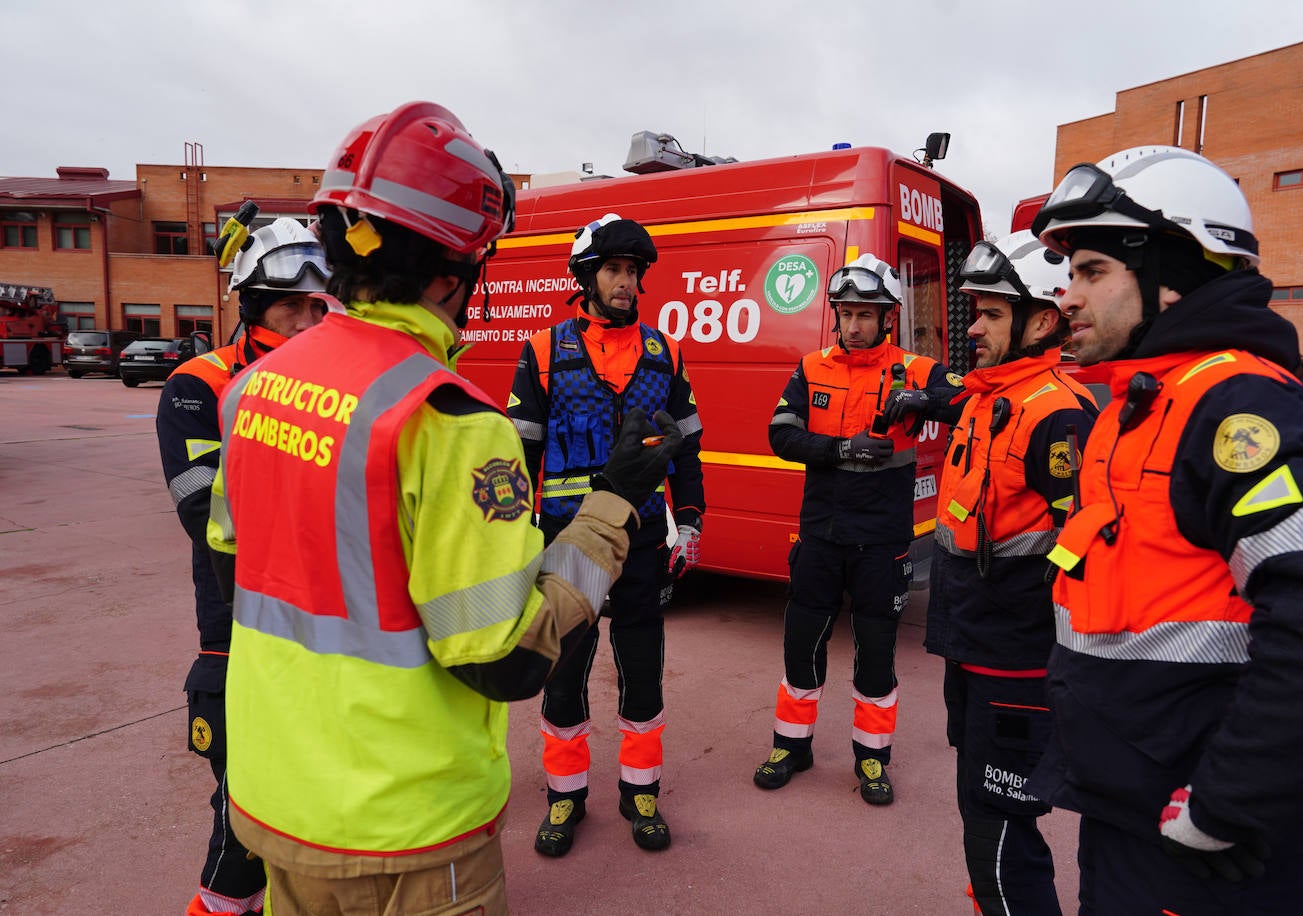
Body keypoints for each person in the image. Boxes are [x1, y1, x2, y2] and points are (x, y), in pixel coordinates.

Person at [204, 101, 682, 916]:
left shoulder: (254, 388)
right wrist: (615, 504)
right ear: (451, 277)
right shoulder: (448, 422)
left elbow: (233, 565)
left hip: (276, 802)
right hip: (407, 829)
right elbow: (504, 658)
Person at [1028, 145, 1303, 914]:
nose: (1067, 296)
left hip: (1218, 859)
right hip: (1134, 822)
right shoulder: (1138, 405)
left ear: (1171, 275)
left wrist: (1227, 806)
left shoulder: (1235, 404)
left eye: (1091, 271)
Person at [507, 212, 706, 856]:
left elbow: (687, 448)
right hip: (570, 544)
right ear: (587, 276)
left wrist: (693, 520)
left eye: (633, 272)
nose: (625, 283)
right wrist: (515, 540)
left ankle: (640, 789)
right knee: (565, 672)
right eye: (614, 270)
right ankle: (565, 797)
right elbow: (519, 456)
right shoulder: (542, 351)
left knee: (642, 667)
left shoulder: (664, 352)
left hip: (644, 536)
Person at [156, 216, 329, 916]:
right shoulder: (197, 386)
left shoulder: (336, 383)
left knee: (317, 826)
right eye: (292, 306)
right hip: (237, 640)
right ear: (252, 305)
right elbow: (205, 515)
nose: (307, 321)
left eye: (319, 307)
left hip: (327, 638)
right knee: (240, 837)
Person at [926, 231, 1098, 916]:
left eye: (992, 314)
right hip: (973, 645)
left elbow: (1084, 546)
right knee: (980, 811)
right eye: (975, 312)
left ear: (1041, 320)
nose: (976, 329)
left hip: (1017, 657)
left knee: (1002, 824)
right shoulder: (986, 396)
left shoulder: (1057, 414)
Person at [752, 253, 962, 804]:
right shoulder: (811, 366)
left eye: (866, 314)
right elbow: (780, 435)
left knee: (876, 654)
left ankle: (872, 760)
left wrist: (923, 400)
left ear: (888, 318)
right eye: (846, 313)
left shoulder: (915, 369)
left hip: (882, 543)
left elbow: (968, 403)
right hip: (820, 535)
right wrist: (840, 448)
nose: (853, 324)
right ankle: (791, 747)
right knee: (802, 645)